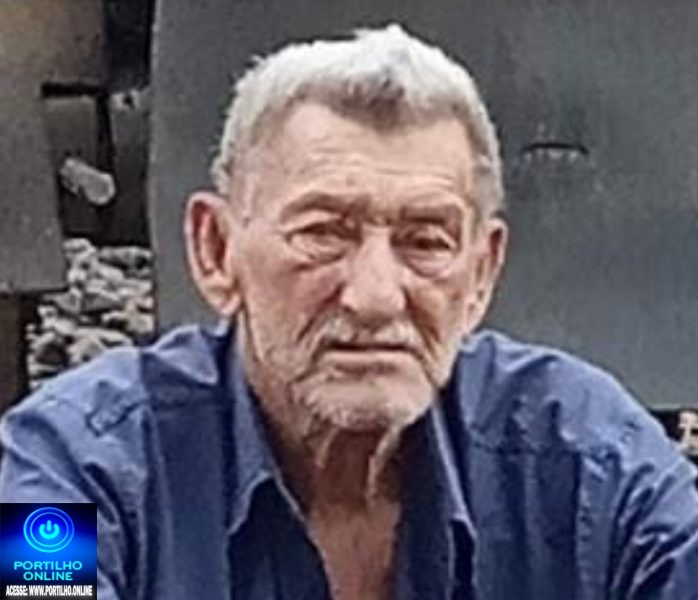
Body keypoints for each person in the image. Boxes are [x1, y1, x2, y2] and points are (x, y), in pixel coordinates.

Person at [1, 24, 697, 600]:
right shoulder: (69, 465)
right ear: (216, 251)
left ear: (482, 274)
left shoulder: (591, 459)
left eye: (425, 242)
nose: (375, 296)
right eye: (324, 233)